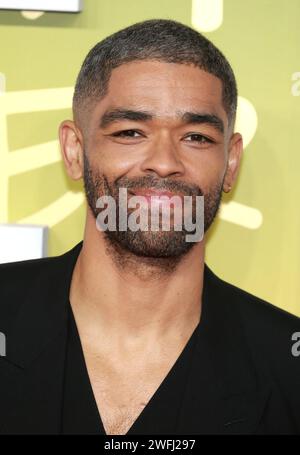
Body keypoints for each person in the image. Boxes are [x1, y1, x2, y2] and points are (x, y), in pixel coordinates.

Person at [0, 19, 299, 435]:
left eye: (196, 137)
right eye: (130, 132)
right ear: (74, 151)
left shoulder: (287, 367)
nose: (163, 161)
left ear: (230, 164)